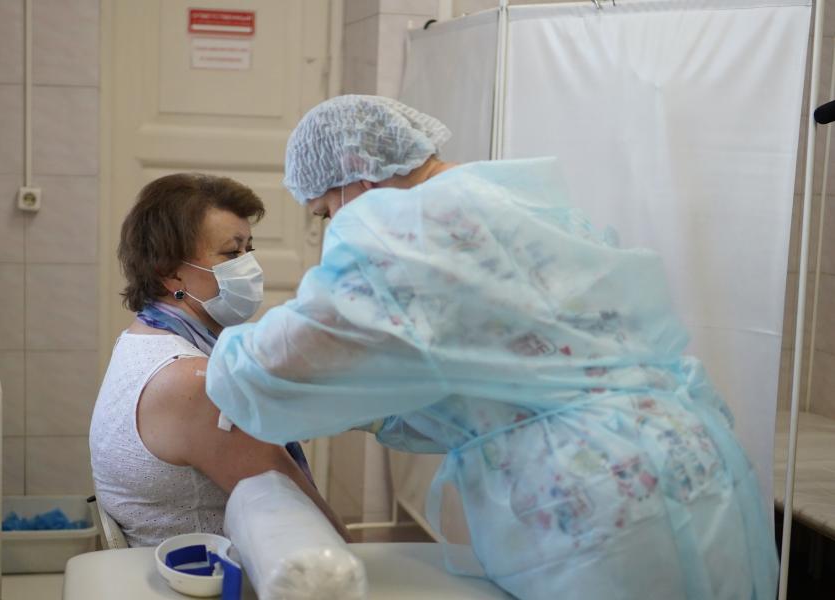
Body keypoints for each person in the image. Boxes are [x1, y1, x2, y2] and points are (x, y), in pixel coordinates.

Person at [204, 96, 778, 599]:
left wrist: (222, 360)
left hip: (602, 497)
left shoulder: (405, 225)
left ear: (357, 174)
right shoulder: (506, 199)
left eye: (327, 210)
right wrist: (373, 413)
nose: (333, 225)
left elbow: (302, 345)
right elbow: (495, 374)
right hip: (688, 460)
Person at [89, 173, 348, 547]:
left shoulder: (140, 338)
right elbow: (313, 523)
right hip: (204, 572)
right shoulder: (193, 383)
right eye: (231, 253)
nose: (249, 266)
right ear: (169, 272)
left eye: (249, 249)